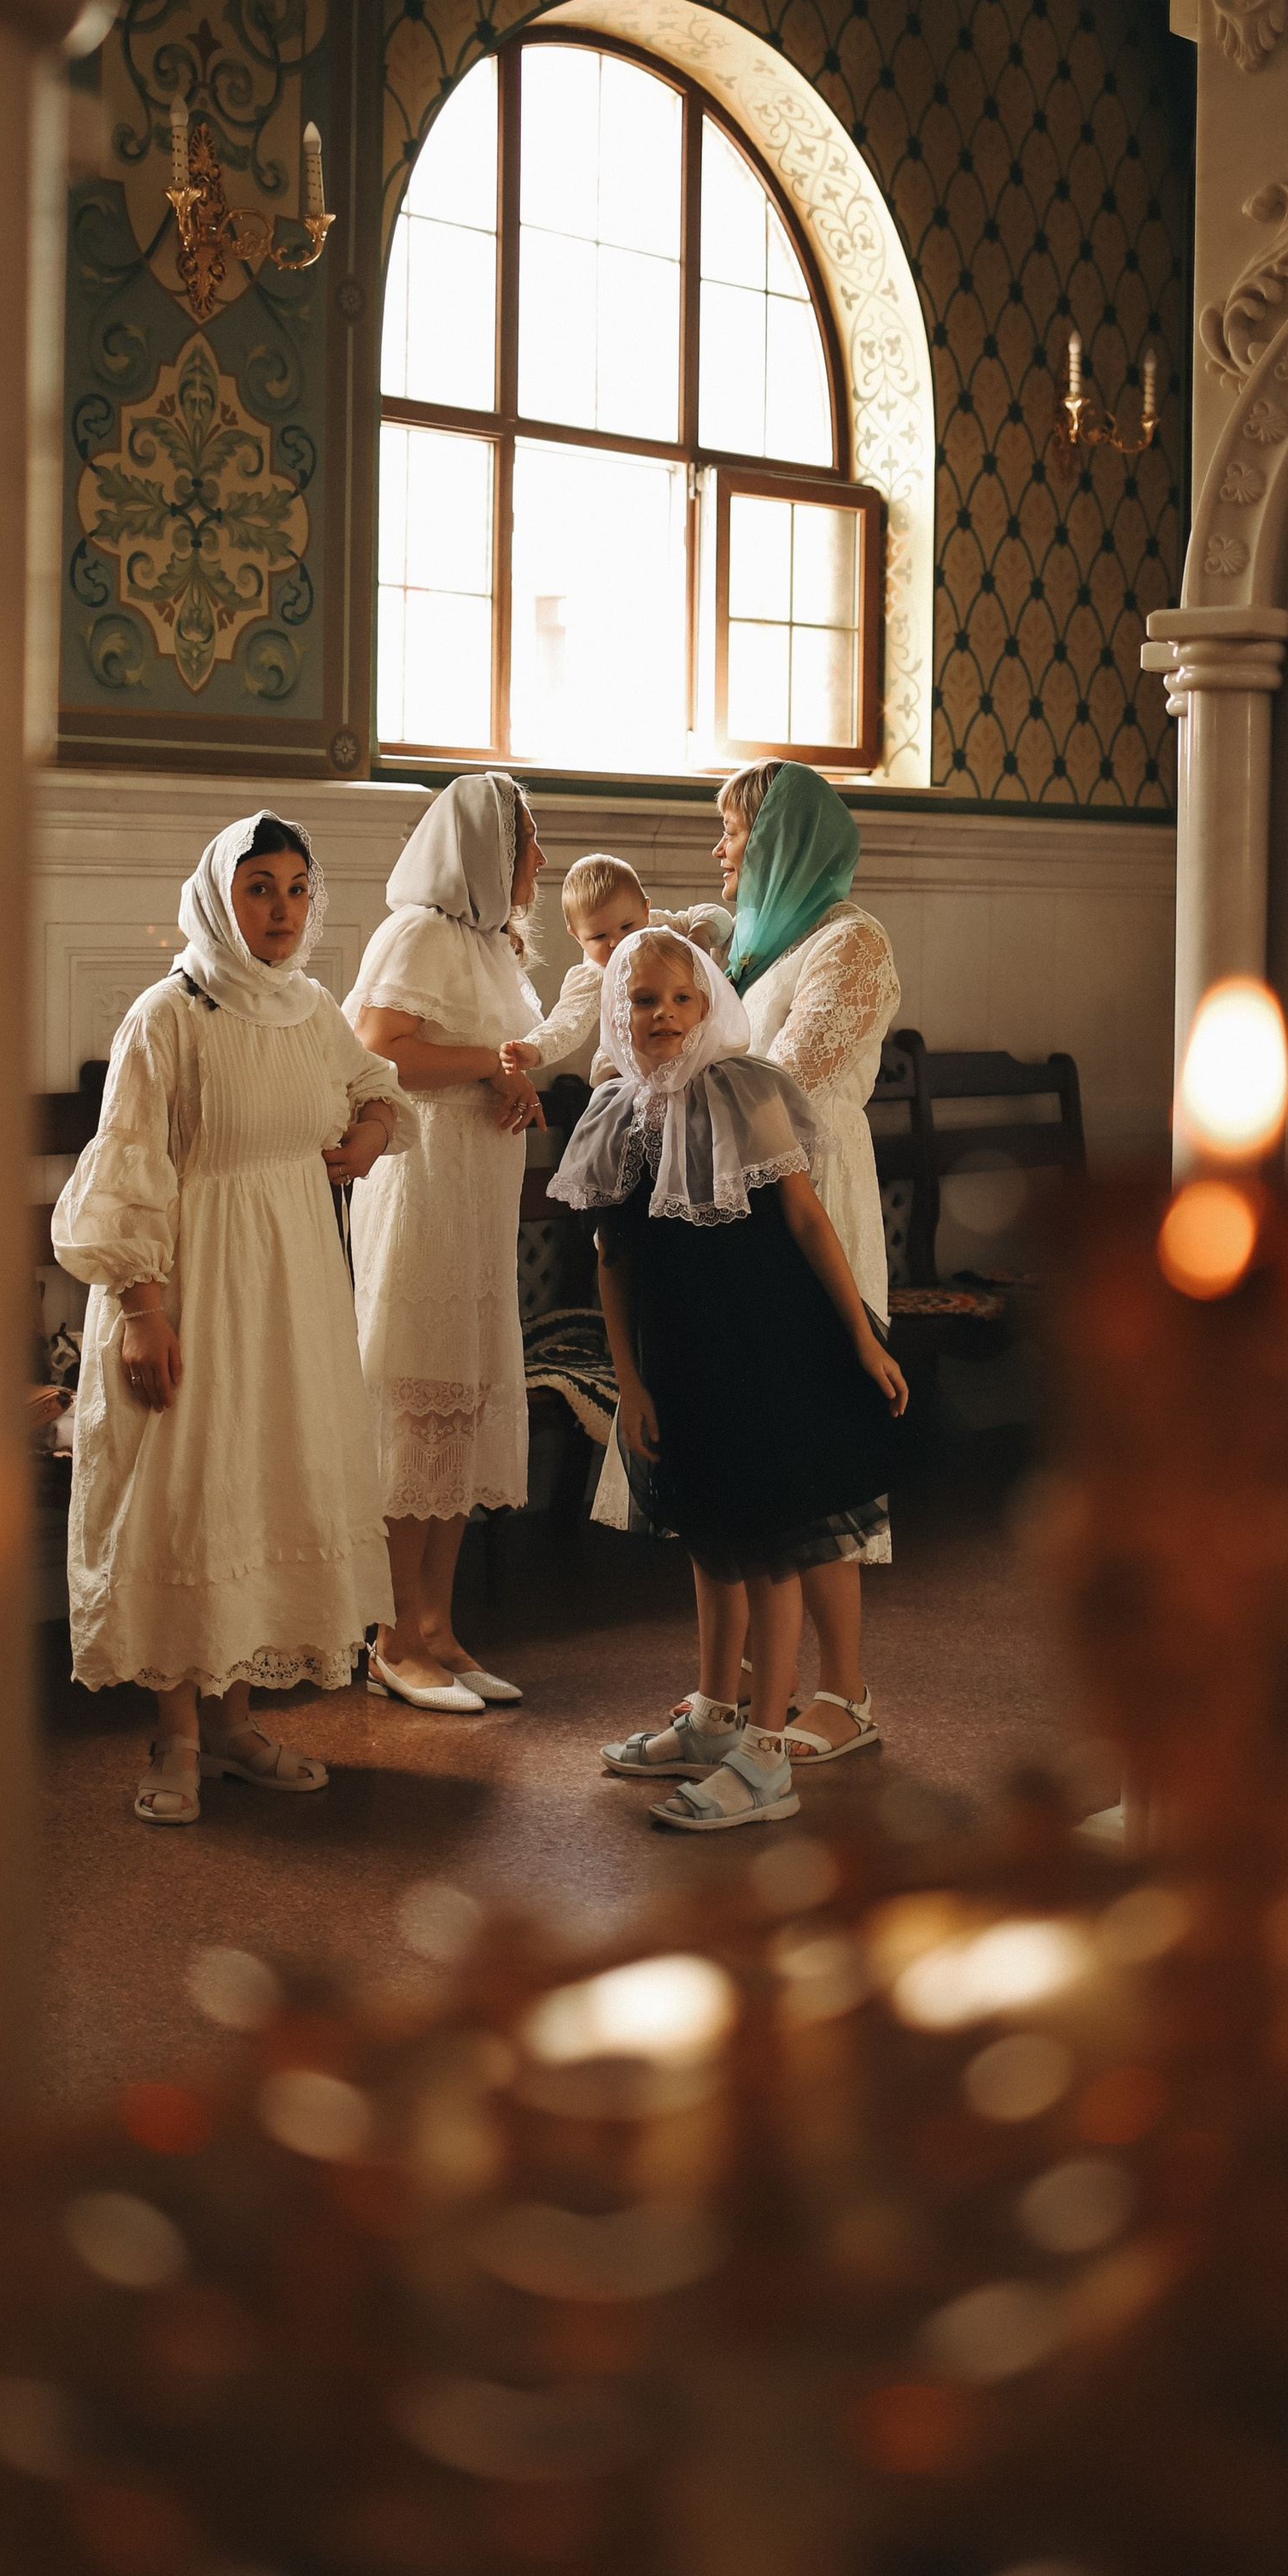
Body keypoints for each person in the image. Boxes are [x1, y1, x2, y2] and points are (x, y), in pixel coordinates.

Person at [53, 813, 405, 1827]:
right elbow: (125, 1174)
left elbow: (370, 1082)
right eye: (260, 888)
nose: (283, 909)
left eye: (297, 888)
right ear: (219, 896)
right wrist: (142, 1310)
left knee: (262, 1481)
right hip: (191, 1279)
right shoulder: (168, 1016)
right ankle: (175, 1734)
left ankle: (236, 1724)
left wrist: (373, 1132)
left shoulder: (309, 1009)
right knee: (189, 1486)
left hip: (292, 1281)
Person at [553, 928, 908, 1832]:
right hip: (678, 1355)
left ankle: (762, 1754)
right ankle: (712, 1717)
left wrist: (860, 1335)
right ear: (616, 1013)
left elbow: (805, 1217)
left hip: (768, 1343)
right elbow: (612, 1258)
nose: (663, 1016)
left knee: (769, 1540)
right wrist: (629, 1382)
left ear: (707, 1005)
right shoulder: (613, 1113)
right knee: (706, 1532)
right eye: (642, 1002)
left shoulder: (740, 1089)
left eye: (681, 999)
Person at [712, 759, 901, 1757]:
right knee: (754, 1451)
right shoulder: (750, 947)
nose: (721, 851)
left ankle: (847, 1693)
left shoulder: (849, 943)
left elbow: (779, 1079)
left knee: (817, 1448)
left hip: (814, 1195)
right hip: (738, 1202)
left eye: (734, 831)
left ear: (781, 841)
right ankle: (751, 1685)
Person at [348, 772, 547, 1711]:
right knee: (413, 1393)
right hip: (420, 1189)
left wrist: (514, 1085)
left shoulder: (493, 945)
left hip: (477, 1198)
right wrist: (488, 1066)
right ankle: (390, 1635)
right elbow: (378, 1052)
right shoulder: (419, 932)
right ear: (485, 852)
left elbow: (497, 1057)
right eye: (527, 842)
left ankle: (439, 1627)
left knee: (460, 1399)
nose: (537, 860)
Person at [501, 854, 735, 1088]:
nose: (616, 941)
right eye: (599, 936)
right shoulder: (595, 974)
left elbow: (717, 916)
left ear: (645, 910)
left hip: (688, 1050)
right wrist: (535, 1049)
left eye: (627, 926)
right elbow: (567, 1022)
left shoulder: (660, 928)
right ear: (576, 936)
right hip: (631, 1069)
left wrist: (700, 935)